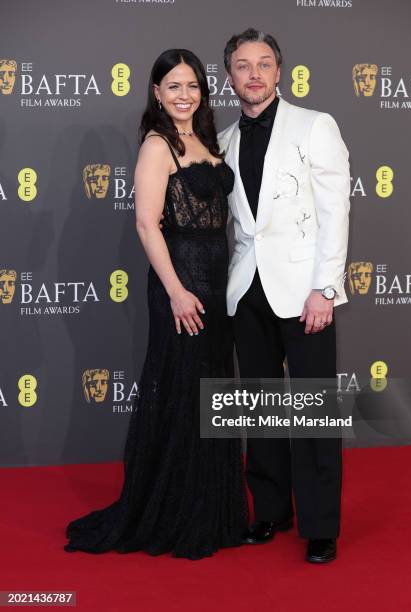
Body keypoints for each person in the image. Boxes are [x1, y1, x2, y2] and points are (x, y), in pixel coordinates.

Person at [64, 48, 248, 560]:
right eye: (173, 86)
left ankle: (212, 507)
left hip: (214, 280)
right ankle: (174, 510)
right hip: (180, 282)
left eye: (192, 85)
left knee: (210, 392)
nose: (184, 95)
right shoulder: (156, 145)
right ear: (156, 93)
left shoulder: (207, 140)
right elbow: (147, 223)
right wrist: (175, 290)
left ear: (202, 91)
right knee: (182, 390)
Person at [218, 28, 350, 563]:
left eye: (264, 63)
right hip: (246, 287)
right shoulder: (223, 139)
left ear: (280, 72)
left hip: (305, 290)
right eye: (243, 65)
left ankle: (321, 526)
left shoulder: (315, 125)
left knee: (313, 410)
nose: (254, 73)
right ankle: (270, 510)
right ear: (229, 76)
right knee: (264, 409)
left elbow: (336, 212)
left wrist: (325, 287)